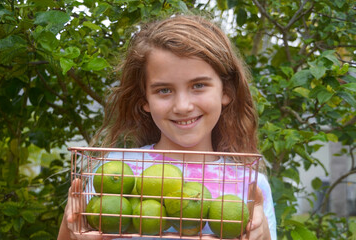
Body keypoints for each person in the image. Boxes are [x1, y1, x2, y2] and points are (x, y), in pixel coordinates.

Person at [58, 14, 277, 240]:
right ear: (145, 100)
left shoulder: (249, 185)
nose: (182, 106)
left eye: (198, 85)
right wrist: (70, 228)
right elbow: (78, 232)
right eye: (164, 90)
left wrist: (264, 236)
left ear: (226, 91)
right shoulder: (116, 170)